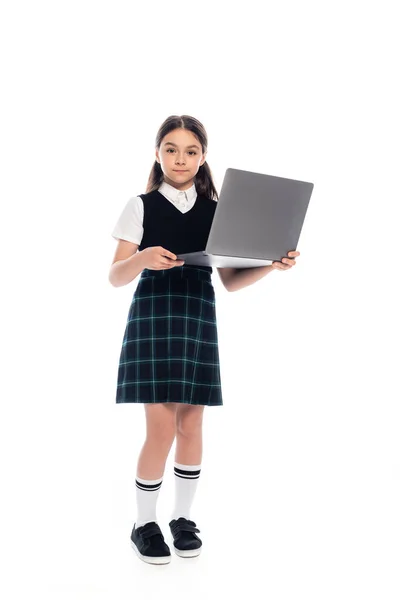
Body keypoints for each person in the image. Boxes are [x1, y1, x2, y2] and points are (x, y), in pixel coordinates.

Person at [109, 115, 300, 565]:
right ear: (157, 153)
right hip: (154, 314)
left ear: (203, 157)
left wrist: (272, 265)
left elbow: (231, 280)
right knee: (158, 429)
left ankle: (182, 518)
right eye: (171, 149)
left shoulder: (217, 211)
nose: (181, 158)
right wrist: (143, 258)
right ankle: (143, 522)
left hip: (197, 315)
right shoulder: (140, 205)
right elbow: (115, 276)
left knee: (191, 425)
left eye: (190, 151)